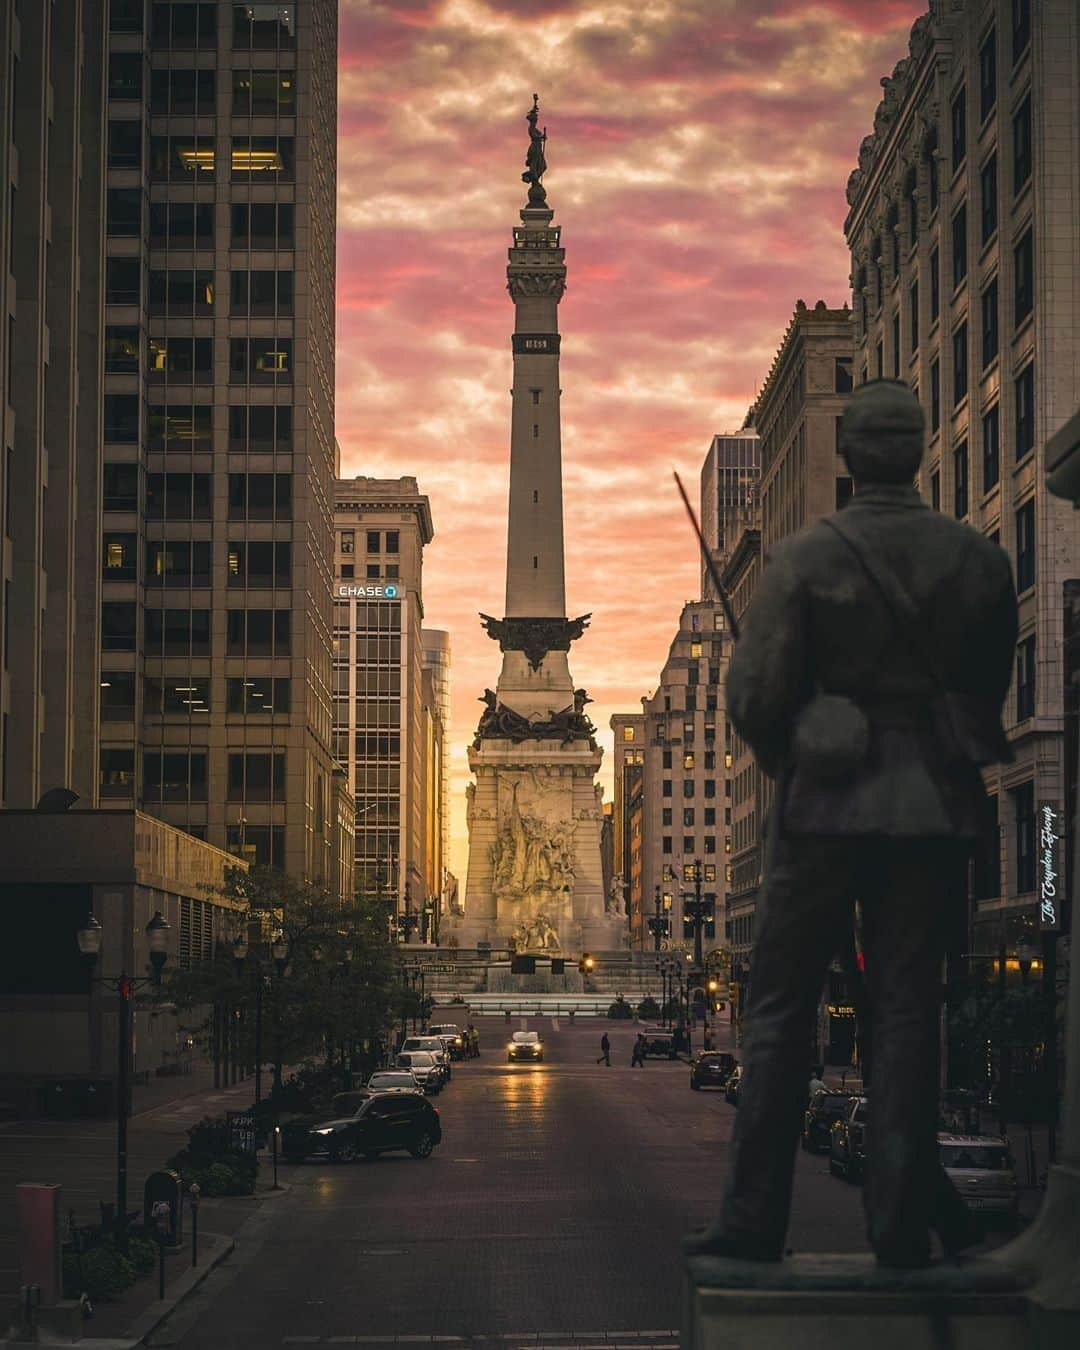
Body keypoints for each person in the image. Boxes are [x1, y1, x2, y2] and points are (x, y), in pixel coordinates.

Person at [684, 380, 1017, 1269]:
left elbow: (753, 695)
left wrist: (799, 744)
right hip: (931, 812)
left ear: (851, 456)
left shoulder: (804, 561)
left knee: (780, 1011)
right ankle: (901, 1225)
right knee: (912, 1014)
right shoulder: (978, 561)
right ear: (915, 448)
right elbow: (987, 691)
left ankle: (755, 1222)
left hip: (826, 809)